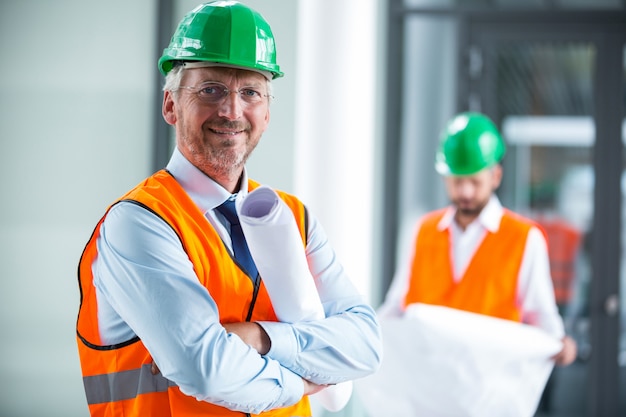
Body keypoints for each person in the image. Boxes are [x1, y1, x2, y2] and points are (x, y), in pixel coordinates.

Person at [75, 2, 382, 416]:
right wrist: (305, 382)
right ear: (170, 105)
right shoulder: (140, 222)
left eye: (250, 92)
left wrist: (261, 339)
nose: (232, 111)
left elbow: (365, 344)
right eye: (210, 89)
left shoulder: (293, 217)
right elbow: (205, 369)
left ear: (267, 113)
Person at [379, 111, 577, 365]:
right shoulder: (423, 231)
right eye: (457, 181)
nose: (465, 191)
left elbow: (541, 315)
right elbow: (396, 307)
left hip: (490, 384)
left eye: (474, 181)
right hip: (428, 378)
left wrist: (558, 343)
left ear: (495, 176)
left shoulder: (524, 238)